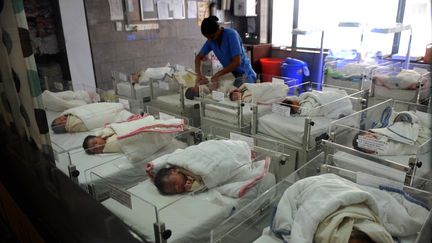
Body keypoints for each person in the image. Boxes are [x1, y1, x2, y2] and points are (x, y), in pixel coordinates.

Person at [195, 16, 257, 90]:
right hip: (232, 74)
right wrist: (198, 75)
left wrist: (218, 74)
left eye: (212, 37)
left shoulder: (231, 35)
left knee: (233, 95)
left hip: (245, 74)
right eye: (208, 38)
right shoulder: (211, 41)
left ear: (218, 29)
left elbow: (237, 62)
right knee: (217, 89)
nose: (210, 40)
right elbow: (198, 58)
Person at [51, 102, 134, 134]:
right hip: (91, 119)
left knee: (102, 108)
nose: (62, 119)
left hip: (93, 110)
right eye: (61, 122)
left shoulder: (71, 112)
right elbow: (92, 120)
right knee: (105, 115)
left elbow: (89, 107)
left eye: (59, 119)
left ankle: (116, 107)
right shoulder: (74, 124)